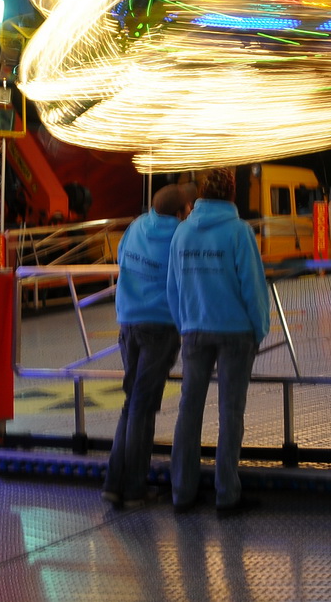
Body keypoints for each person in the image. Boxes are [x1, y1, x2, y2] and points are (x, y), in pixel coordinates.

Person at [167, 166, 270, 517]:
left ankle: (182, 491)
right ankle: (226, 493)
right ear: (231, 194)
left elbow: (174, 288)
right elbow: (252, 288)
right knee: (230, 412)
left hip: (194, 330)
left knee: (189, 410)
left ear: (199, 194)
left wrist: (185, 325)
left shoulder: (182, 233)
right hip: (234, 333)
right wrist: (260, 328)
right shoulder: (238, 233)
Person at [102, 182, 192, 509]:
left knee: (133, 403)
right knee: (142, 405)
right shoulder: (181, 238)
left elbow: (121, 255)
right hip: (159, 327)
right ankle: (133, 489)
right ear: (182, 212)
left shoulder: (137, 226)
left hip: (128, 322)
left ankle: (115, 483)